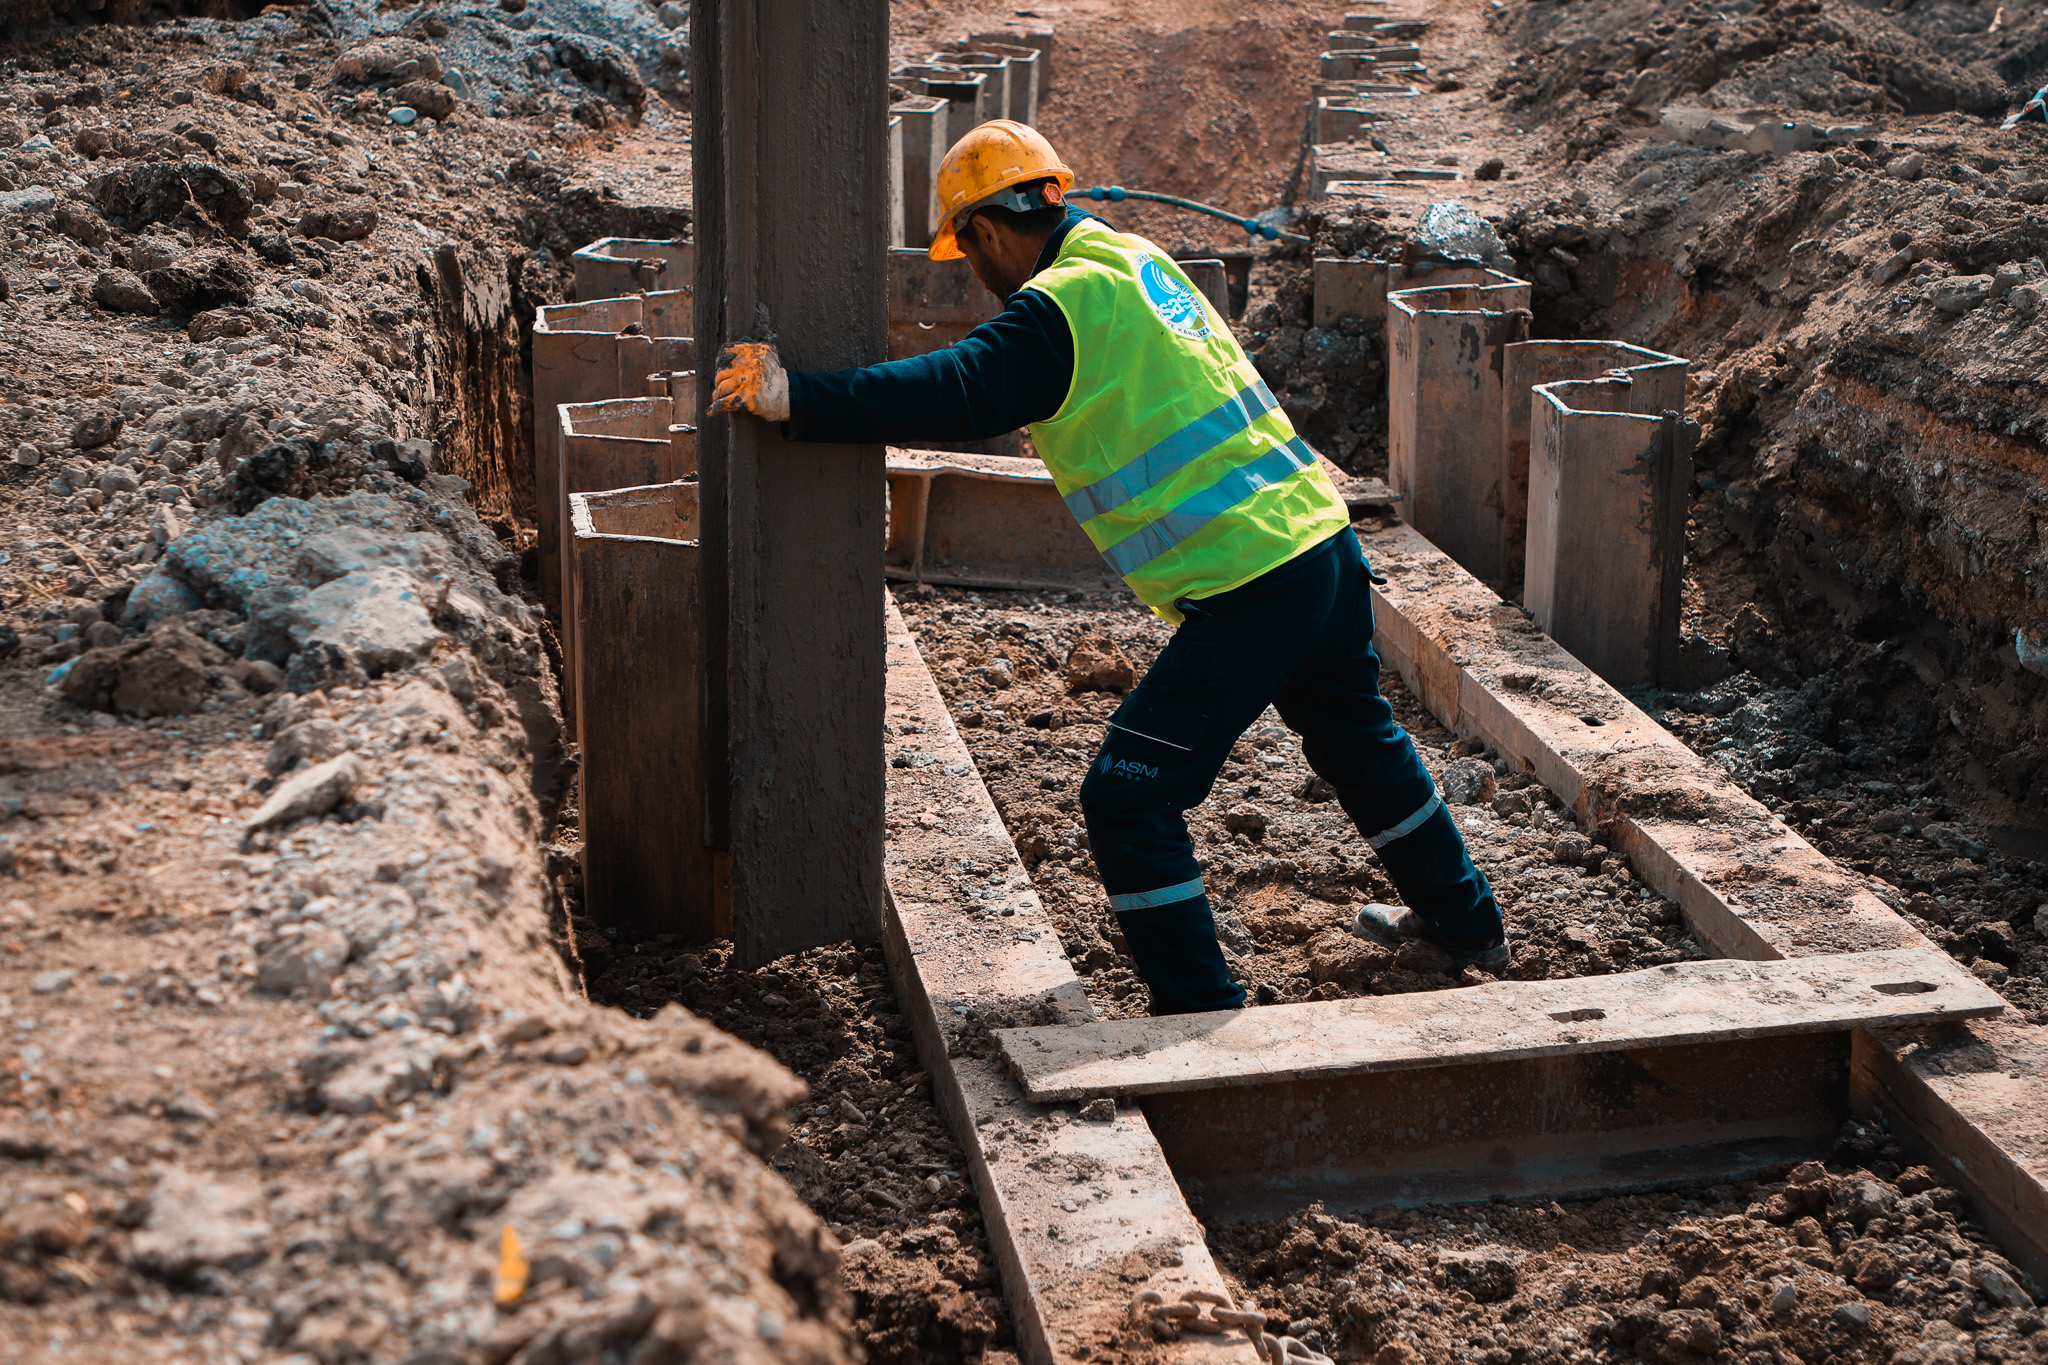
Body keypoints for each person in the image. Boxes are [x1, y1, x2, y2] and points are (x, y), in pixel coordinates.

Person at [711, 120, 1507, 1014]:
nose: (976, 275)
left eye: (967, 252)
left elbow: (963, 389)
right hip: (1318, 543)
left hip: (1252, 580)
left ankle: (1199, 1007)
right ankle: (1469, 924)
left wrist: (796, 396)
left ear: (984, 229)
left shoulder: (1061, 306)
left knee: (1128, 796)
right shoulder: (1134, 261)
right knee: (1361, 743)